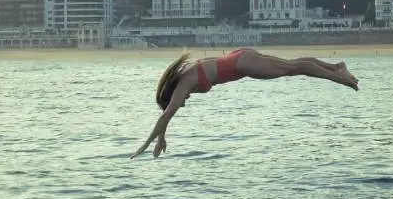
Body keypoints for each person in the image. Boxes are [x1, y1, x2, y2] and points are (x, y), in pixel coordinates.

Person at [130, 47, 358, 159]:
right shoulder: (186, 76)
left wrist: (145, 145)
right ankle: (336, 67)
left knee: (293, 68)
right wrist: (161, 138)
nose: (183, 104)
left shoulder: (184, 84)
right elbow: (167, 115)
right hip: (240, 58)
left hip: (242, 65)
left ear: (171, 95)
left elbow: (166, 116)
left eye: (177, 103)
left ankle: (338, 77)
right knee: (292, 66)